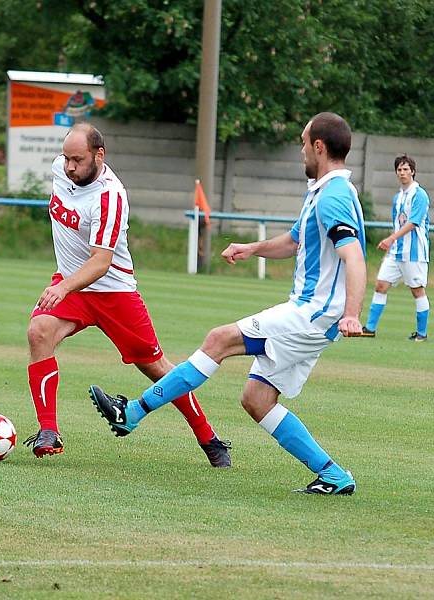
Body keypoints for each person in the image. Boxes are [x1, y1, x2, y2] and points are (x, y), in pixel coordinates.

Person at [89, 112, 367, 495]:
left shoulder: (334, 195)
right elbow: (294, 241)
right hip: (316, 315)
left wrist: (352, 313)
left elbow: (353, 256)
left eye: (303, 143)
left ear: (319, 147)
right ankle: (334, 476)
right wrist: (251, 248)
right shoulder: (327, 192)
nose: (301, 150)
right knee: (256, 399)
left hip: (312, 313)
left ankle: (131, 413)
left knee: (218, 340)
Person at [23, 122, 231, 468]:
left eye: (78, 159)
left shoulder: (111, 197)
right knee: (38, 332)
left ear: (99, 155)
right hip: (74, 283)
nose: (70, 167)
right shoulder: (61, 171)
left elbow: (101, 262)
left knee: (157, 368)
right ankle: (48, 431)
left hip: (113, 291)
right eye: (67, 159)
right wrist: (65, 283)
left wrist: (61, 286)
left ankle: (209, 438)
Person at [361, 155, 431, 341]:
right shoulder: (398, 197)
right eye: (399, 170)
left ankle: (422, 334)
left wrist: (391, 239)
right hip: (397, 252)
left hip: (414, 252)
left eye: (406, 169)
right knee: (380, 285)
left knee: (417, 290)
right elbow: (397, 224)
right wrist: (392, 246)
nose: (402, 173)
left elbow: (413, 222)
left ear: (413, 172)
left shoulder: (420, 194)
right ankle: (369, 328)